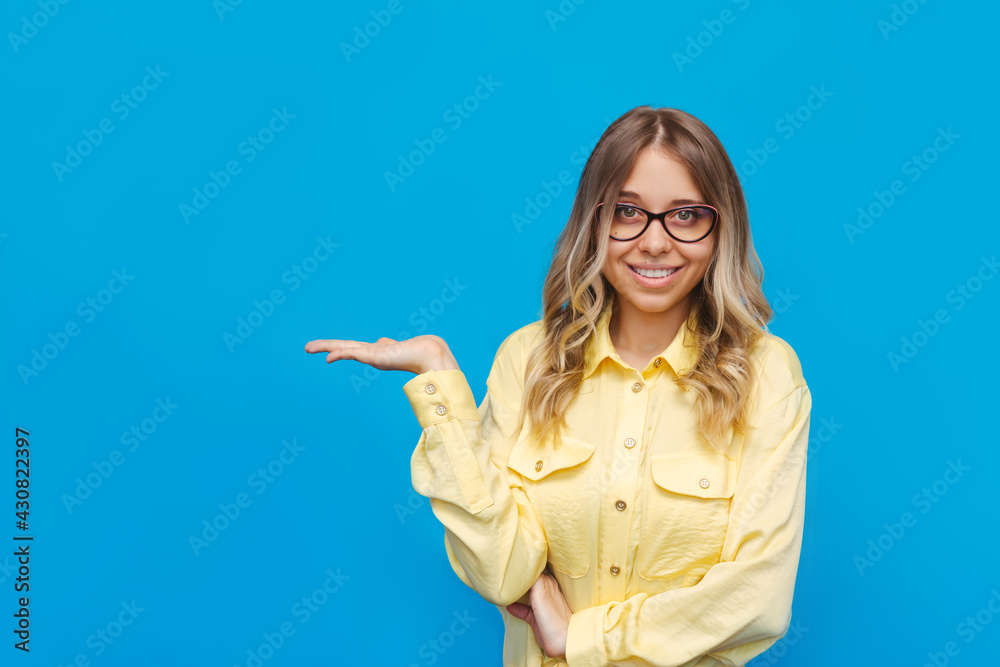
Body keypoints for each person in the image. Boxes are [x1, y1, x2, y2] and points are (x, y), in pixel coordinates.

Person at [305, 105, 812, 667]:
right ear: (595, 220)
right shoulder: (528, 359)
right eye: (628, 212)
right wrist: (439, 383)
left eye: (686, 216)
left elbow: (757, 598)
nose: (654, 242)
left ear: (721, 229)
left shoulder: (767, 376)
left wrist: (583, 639)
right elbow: (500, 570)